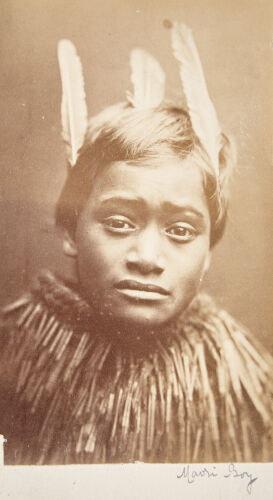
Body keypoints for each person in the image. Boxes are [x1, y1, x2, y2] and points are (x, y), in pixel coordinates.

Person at [0, 22, 272, 465]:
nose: (147, 258)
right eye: (120, 222)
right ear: (70, 229)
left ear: (209, 251)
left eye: (180, 231)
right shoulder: (13, 354)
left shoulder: (244, 381)